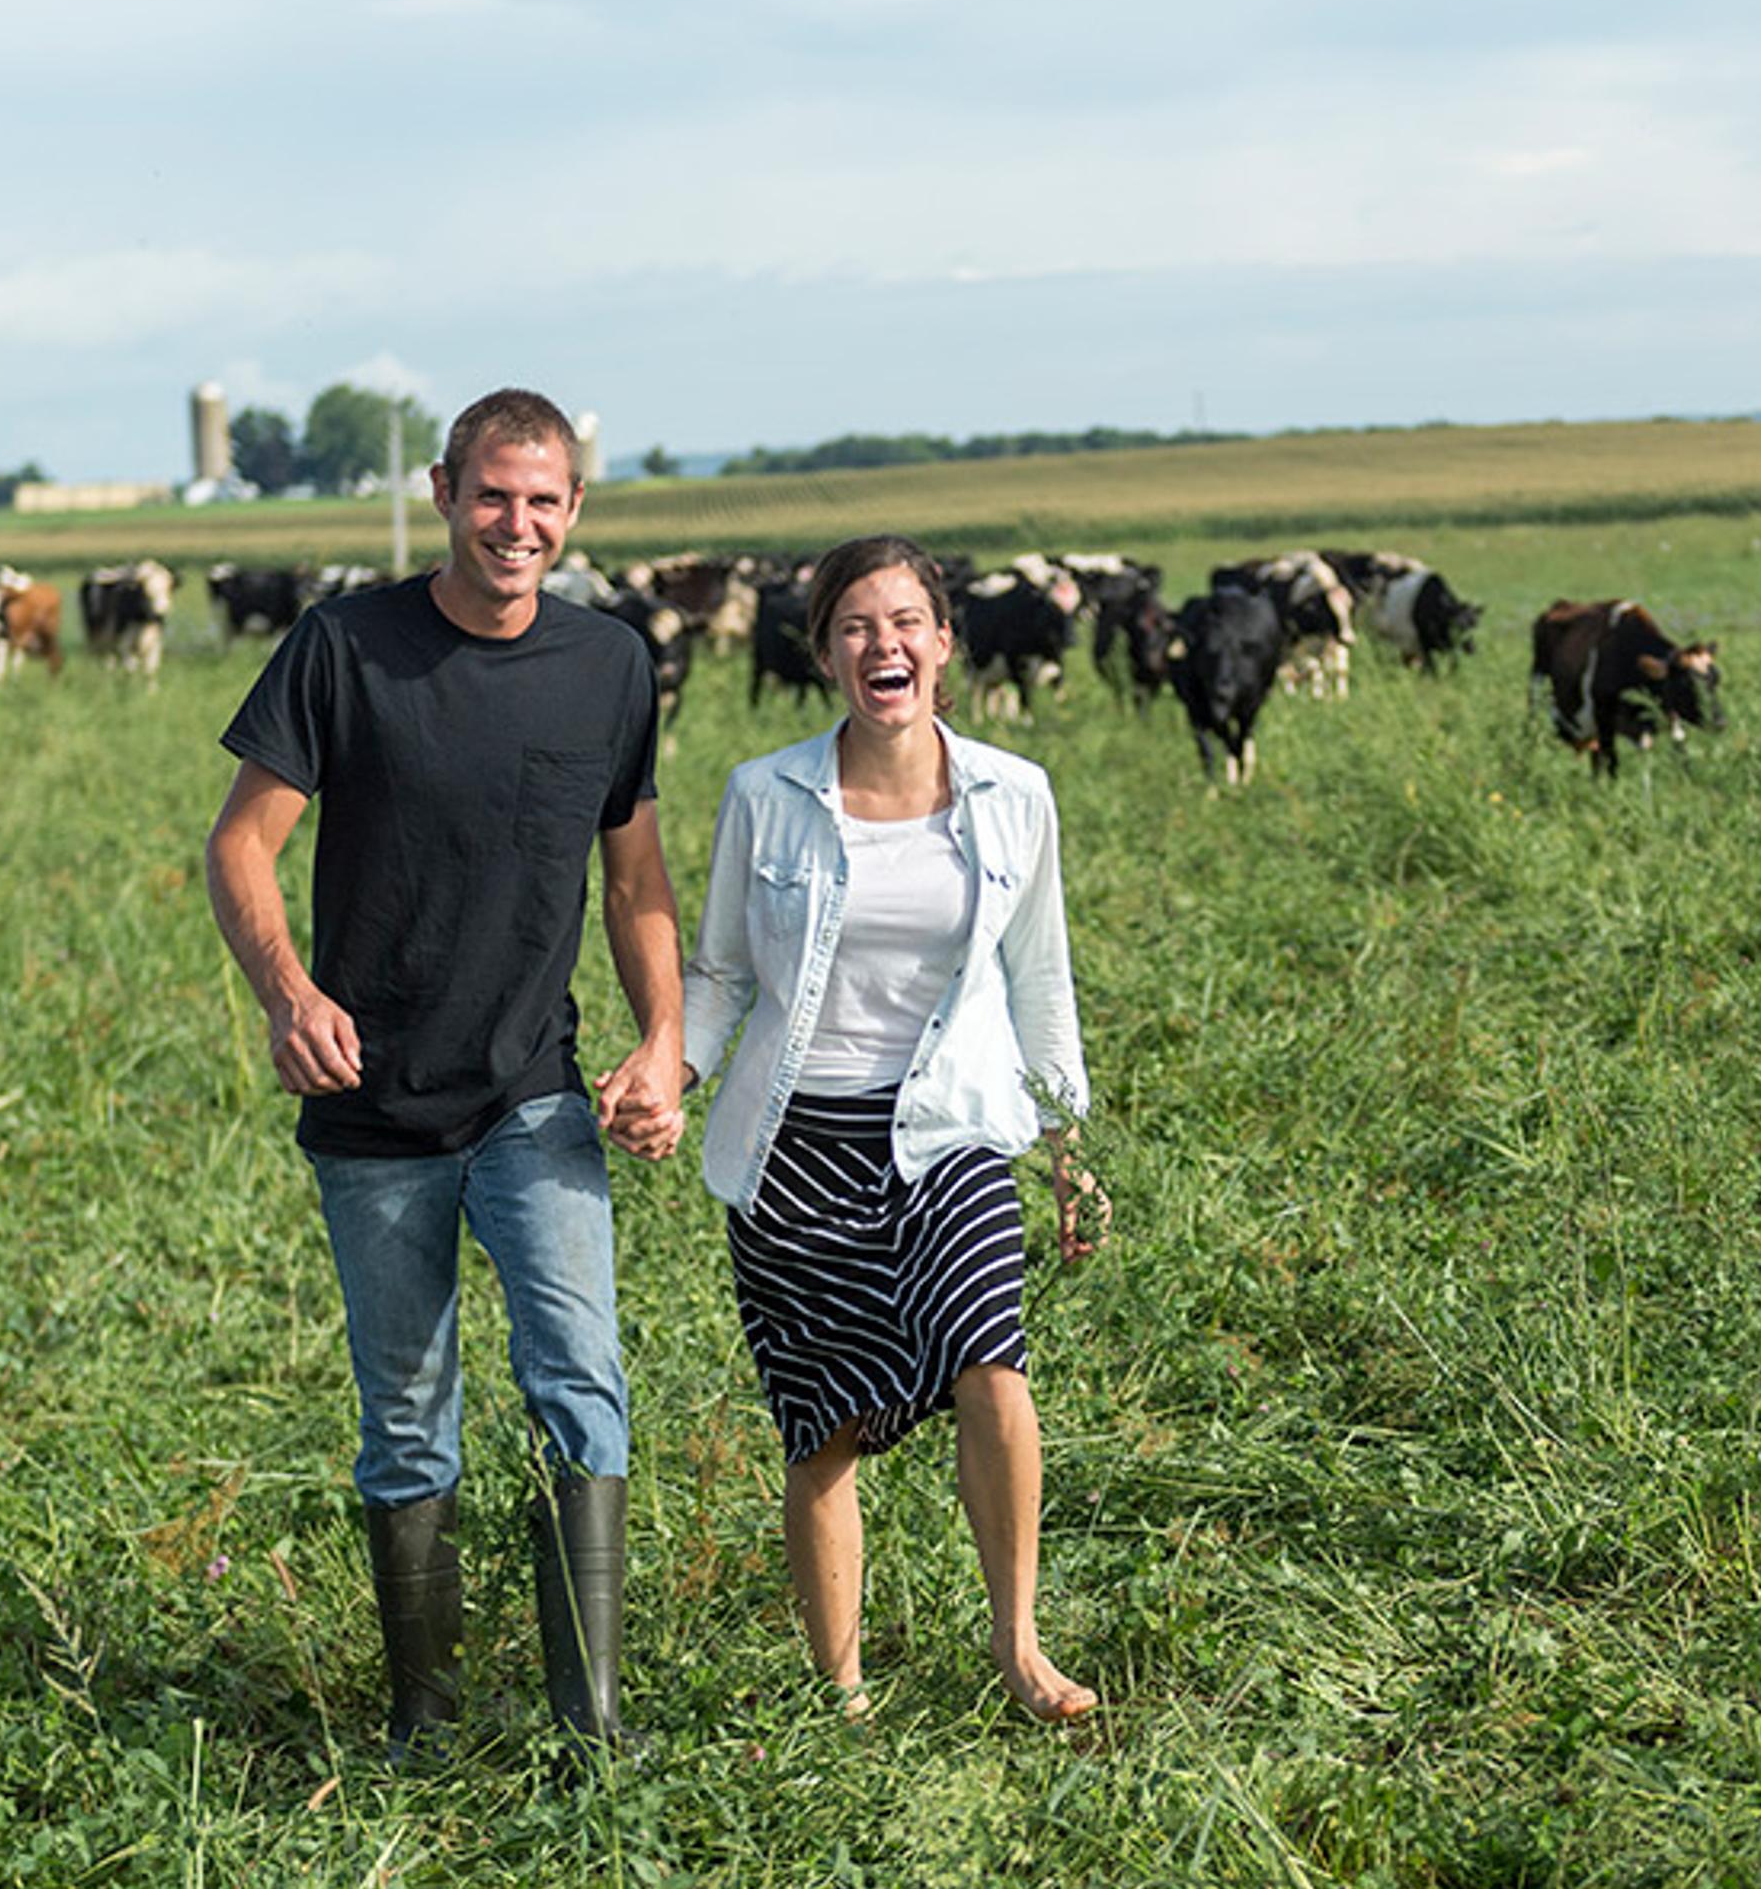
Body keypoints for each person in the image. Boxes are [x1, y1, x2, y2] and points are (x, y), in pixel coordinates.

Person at [203, 387, 685, 1756]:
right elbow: (241, 846)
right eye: (492, 495)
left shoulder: (609, 666)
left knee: (580, 1377)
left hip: (534, 1095)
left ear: (575, 511)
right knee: (407, 1420)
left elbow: (634, 872)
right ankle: (426, 1719)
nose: (515, 523)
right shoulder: (343, 648)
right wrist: (287, 994)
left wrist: (665, 1038)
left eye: (542, 501)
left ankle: (591, 1725)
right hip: (372, 1110)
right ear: (442, 492)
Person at [681, 534, 1104, 1722]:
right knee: (826, 1428)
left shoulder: (1015, 795)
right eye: (859, 625)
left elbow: (1042, 978)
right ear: (823, 653)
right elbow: (718, 975)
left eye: (909, 621)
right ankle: (843, 1695)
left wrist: (1065, 1140)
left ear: (946, 643)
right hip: (794, 1141)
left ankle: (1020, 1646)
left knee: (992, 1362)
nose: (887, 644)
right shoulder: (766, 795)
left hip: (951, 1125)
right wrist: (671, 1070)